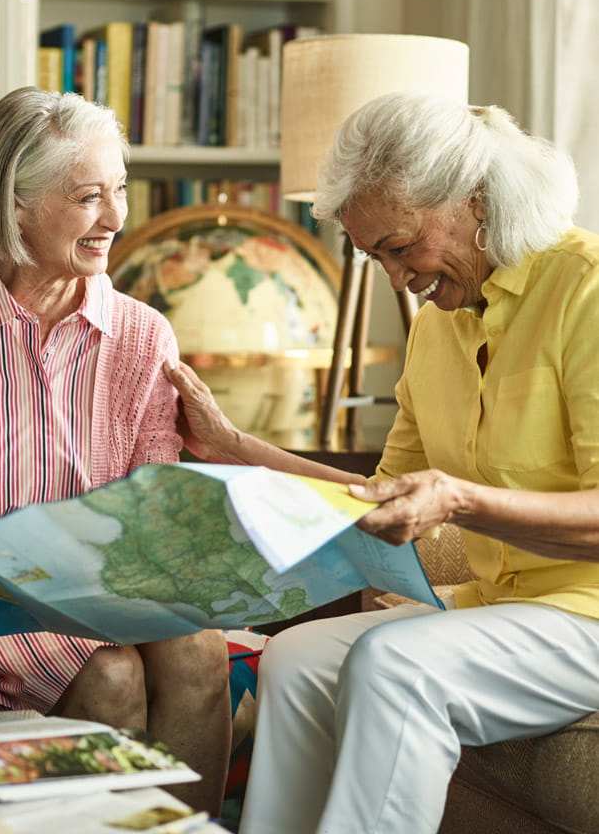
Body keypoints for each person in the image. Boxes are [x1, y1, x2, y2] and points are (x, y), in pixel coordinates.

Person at [166, 91, 599, 833]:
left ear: (475, 201)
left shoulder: (584, 290)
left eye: (401, 247)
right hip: (507, 607)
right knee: (298, 658)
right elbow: (378, 496)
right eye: (377, 258)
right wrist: (239, 449)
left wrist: (460, 500)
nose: (398, 279)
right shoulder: (441, 325)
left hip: (587, 614)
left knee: (396, 665)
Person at [0, 86, 231, 816]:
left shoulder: (143, 336)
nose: (118, 220)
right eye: (89, 196)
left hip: (101, 589)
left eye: (120, 191)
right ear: (17, 204)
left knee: (201, 649)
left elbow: (154, 503)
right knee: (112, 678)